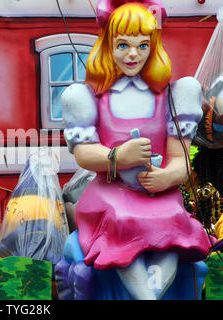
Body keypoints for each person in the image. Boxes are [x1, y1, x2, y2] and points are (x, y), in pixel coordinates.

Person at [60, 1, 211, 300]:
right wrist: (117, 157)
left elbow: (181, 161)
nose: (133, 54)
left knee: (174, 230)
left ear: (153, 47)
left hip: (159, 197)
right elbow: (83, 154)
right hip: (112, 195)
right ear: (108, 46)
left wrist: (166, 177)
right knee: (123, 225)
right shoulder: (88, 97)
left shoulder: (173, 96)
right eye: (123, 45)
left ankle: (151, 293)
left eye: (142, 46)